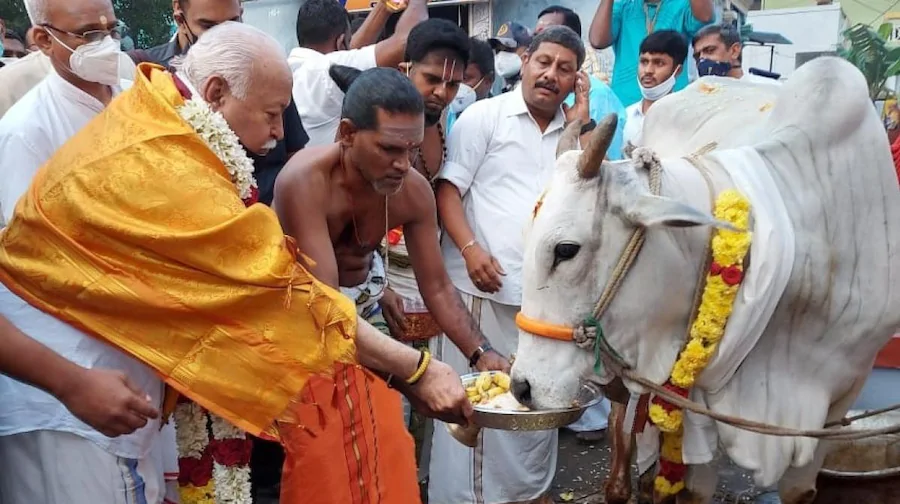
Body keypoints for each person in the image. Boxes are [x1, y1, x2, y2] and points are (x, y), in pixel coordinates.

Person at [0, 21, 470, 504]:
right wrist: (415, 370)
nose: (277, 132)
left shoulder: (163, 121)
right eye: (271, 114)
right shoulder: (166, 159)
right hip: (68, 392)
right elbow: (281, 292)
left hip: (114, 382)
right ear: (216, 93)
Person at [274, 66, 506, 504]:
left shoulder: (413, 191)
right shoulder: (303, 181)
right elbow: (326, 314)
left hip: (362, 314)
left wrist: (482, 353)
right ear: (346, 133)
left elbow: (436, 287)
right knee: (321, 458)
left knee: (388, 444)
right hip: (305, 325)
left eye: (413, 149)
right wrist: (414, 374)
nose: (403, 164)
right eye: (388, 149)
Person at [432, 26, 593, 504]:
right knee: (477, 411)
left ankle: (529, 495)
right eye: (543, 62)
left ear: (576, 81)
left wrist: (579, 126)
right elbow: (448, 191)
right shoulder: (486, 117)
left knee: (533, 410)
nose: (550, 75)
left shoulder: (576, 137)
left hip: (542, 307)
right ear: (524, 60)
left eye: (564, 69)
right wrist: (470, 249)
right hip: (480, 294)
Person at [0, 0, 135, 223]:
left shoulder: (139, 95)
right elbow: (32, 238)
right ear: (44, 40)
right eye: (89, 35)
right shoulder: (25, 131)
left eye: (113, 30)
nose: (108, 45)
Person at [291, 0, 428, 147]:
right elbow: (405, 41)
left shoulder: (292, 69)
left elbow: (352, 54)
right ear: (341, 43)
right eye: (349, 42)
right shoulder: (325, 74)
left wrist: (385, 7)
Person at [535, 4, 626, 161]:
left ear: (571, 41)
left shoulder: (596, 95)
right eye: (536, 35)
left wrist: (583, 124)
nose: (539, 41)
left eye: (550, 35)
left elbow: (609, 170)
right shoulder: (528, 94)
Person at [588, 0, 714, 107]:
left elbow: (705, 17)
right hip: (625, 107)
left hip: (673, 106)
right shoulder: (624, 5)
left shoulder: (682, 4)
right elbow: (597, 40)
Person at [623, 30, 688, 148]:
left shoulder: (684, 119)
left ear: (677, 71)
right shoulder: (625, 116)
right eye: (644, 62)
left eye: (659, 63)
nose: (648, 70)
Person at [692, 22, 780, 84]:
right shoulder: (695, 96)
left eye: (710, 50)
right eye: (697, 56)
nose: (702, 59)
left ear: (734, 51)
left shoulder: (766, 90)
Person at [447, 37, 494, 131]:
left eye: (464, 78)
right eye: (452, 78)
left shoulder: (500, 123)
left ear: (488, 81)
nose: (457, 85)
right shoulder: (440, 117)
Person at [488, 21, 532, 93]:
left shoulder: (535, 91)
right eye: (498, 51)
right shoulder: (506, 89)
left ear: (528, 50)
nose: (501, 55)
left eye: (509, 49)